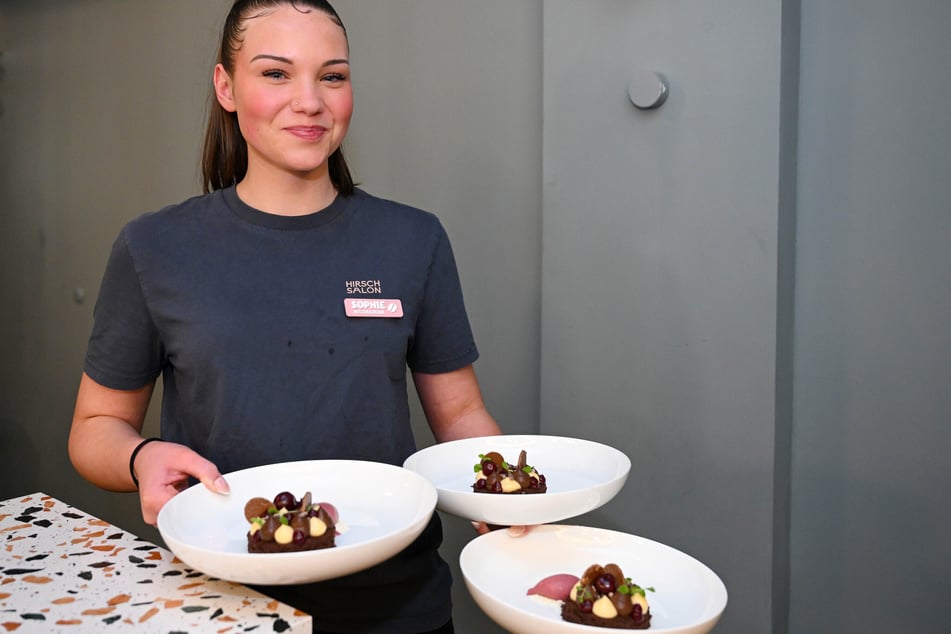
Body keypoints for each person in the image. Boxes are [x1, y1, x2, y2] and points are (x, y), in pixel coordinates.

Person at [68, 1, 504, 632]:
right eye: (276, 74)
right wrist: (139, 458)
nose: (310, 101)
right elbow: (96, 427)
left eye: (332, 76)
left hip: (396, 605)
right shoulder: (154, 248)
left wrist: (507, 496)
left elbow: (461, 413)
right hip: (219, 605)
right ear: (226, 86)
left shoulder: (413, 239)